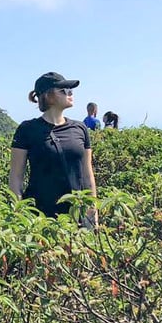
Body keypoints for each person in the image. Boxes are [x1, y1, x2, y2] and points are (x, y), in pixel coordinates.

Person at [10, 72, 97, 222]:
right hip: (39, 218)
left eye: (71, 90)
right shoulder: (27, 129)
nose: (70, 93)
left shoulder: (80, 128)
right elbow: (16, 178)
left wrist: (92, 218)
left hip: (76, 215)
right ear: (48, 96)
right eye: (64, 90)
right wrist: (19, 216)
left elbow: (88, 176)